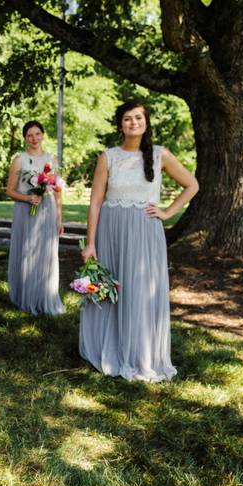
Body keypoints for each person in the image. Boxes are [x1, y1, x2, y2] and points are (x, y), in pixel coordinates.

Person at [79, 101, 199, 381]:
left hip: (145, 234)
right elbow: (95, 203)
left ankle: (142, 353)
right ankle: (110, 347)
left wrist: (168, 211)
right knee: (113, 290)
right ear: (120, 124)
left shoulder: (161, 155)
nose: (133, 122)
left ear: (146, 122)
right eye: (127, 118)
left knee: (141, 291)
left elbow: (192, 185)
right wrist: (90, 243)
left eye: (138, 118)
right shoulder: (107, 157)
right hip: (111, 232)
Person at [5, 120, 65, 315]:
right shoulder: (19, 160)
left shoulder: (51, 160)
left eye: (37, 134)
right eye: (30, 135)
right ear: (25, 138)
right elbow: (10, 190)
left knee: (46, 254)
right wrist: (27, 197)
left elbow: (57, 193)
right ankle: (26, 297)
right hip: (26, 211)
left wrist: (59, 219)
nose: (34, 138)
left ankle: (45, 295)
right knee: (27, 252)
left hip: (46, 211)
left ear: (42, 135)